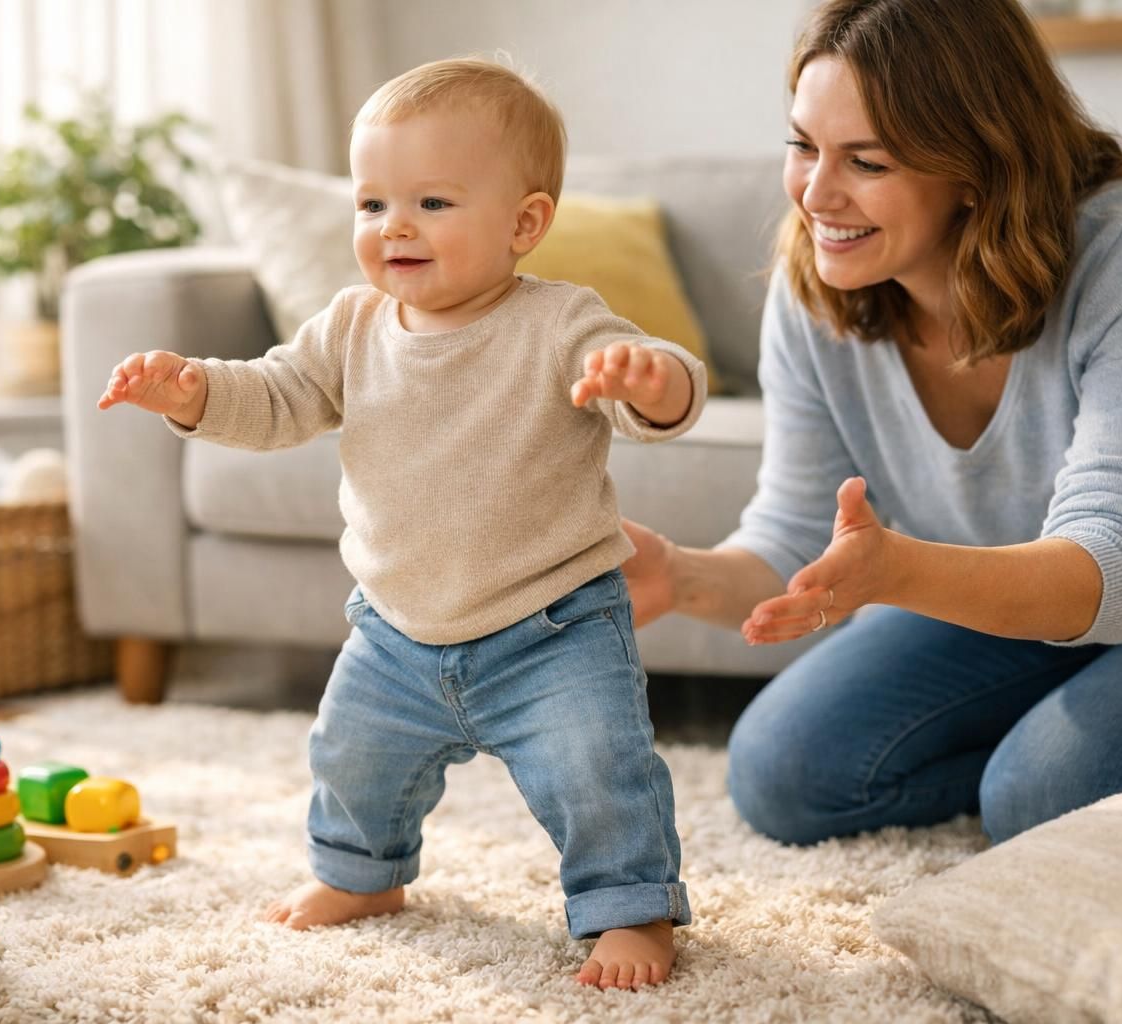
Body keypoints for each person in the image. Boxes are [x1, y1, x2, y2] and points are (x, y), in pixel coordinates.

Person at [98, 58, 706, 989]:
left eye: (431, 201)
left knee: (598, 770)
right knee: (349, 758)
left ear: (525, 223)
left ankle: (632, 908)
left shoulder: (560, 323)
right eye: (372, 203)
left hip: (552, 628)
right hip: (394, 629)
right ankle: (363, 876)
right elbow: (279, 397)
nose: (395, 228)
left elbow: (646, 387)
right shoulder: (351, 326)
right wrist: (196, 392)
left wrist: (652, 384)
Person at [622, 0, 1122, 849]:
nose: (816, 194)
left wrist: (897, 571)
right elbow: (794, 536)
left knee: (1044, 800)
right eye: (802, 145)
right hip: (1037, 600)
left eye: (867, 161)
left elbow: (1118, 573)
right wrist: (680, 577)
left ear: (976, 162)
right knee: (785, 771)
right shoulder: (817, 273)